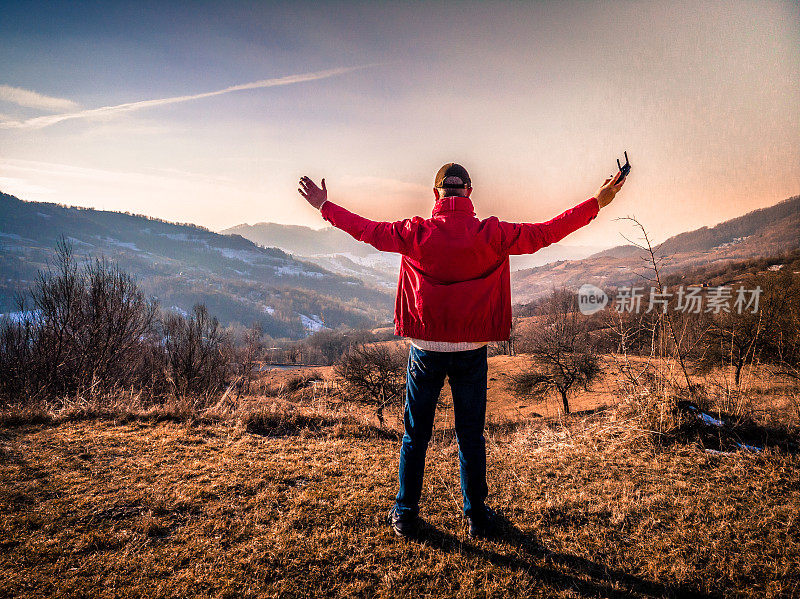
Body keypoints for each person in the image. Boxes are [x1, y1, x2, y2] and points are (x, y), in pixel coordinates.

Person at [298, 163, 625, 538]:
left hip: (426, 349)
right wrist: (597, 202)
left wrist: (325, 206)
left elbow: (366, 231)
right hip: (472, 350)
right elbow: (550, 231)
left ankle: (405, 513)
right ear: (469, 193)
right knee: (470, 434)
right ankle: (476, 516)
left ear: (437, 194)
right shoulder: (494, 234)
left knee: (415, 434)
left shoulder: (414, 232)